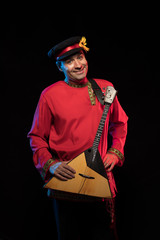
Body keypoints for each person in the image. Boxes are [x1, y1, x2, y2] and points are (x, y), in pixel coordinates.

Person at [28, 36, 128, 240]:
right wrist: (51, 165)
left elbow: (120, 124)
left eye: (80, 57)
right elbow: (36, 137)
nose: (78, 65)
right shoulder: (50, 95)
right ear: (60, 67)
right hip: (67, 182)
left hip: (99, 181)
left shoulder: (104, 87)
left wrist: (114, 152)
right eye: (69, 61)